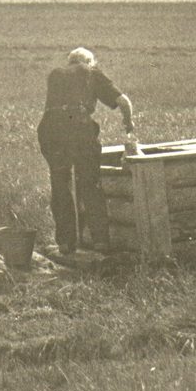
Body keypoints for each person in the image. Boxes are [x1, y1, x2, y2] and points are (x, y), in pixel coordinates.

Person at [37, 47, 134, 255]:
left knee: (60, 184)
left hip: (50, 131)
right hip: (78, 128)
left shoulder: (55, 74)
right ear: (90, 62)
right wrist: (129, 123)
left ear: (70, 62)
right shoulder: (91, 72)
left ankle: (65, 243)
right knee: (90, 183)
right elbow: (123, 102)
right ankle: (100, 241)